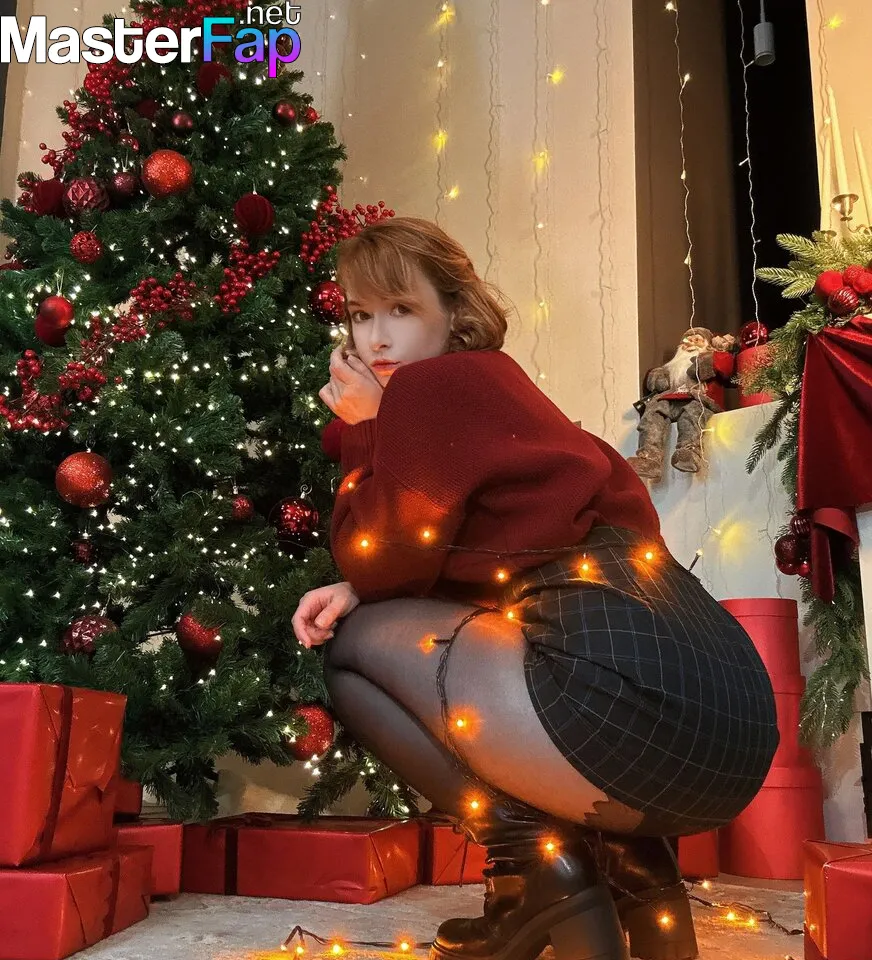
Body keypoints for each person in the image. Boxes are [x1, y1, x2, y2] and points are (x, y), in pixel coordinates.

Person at [291, 217, 779, 960]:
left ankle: (543, 879)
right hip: (724, 713)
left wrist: (368, 431)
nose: (376, 340)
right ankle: (641, 880)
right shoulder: (515, 401)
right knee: (517, 645)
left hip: (620, 704)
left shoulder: (429, 387)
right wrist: (371, 580)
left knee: (350, 649)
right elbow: (489, 557)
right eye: (360, 315)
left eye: (401, 309)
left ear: (454, 314)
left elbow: (382, 561)